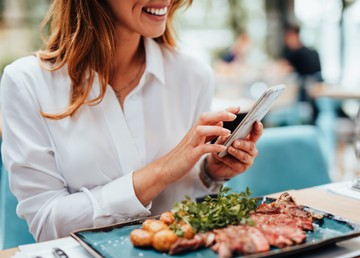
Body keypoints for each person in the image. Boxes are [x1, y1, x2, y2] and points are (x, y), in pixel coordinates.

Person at [0, 0, 262, 242]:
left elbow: (187, 205)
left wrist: (208, 172)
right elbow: (47, 223)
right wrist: (160, 172)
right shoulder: (26, 83)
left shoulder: (193, 75)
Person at [282, 24, 323, 123]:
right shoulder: (312, 51)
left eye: (288, 38)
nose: (287, 42)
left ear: (295, 36)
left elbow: (283, 68)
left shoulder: (296, 53)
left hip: (309, 88)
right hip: (318, 87)